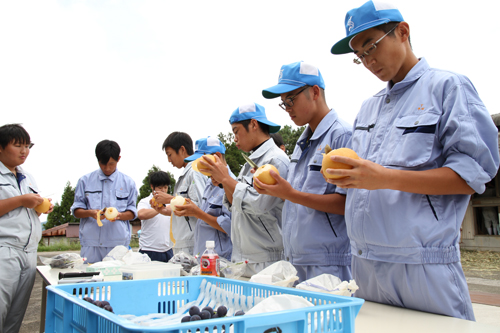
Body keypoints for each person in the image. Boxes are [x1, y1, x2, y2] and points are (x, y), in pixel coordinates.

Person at [328, 1, 500, 320]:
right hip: (365, 266)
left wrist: (385, 177)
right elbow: (366, 179)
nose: (368, 61)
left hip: (423, 266)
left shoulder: (448, 88)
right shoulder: (368, 109)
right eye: (360, 56)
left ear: (402, 32)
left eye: (371, 46)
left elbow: (473, 175)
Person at [258, 61, 352, 282]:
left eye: (291, 100)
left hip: (328, 265)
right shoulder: (302, 144)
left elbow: (346, 204)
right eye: (283, 103)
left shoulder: (342, 136)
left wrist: (289, 194)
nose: (287, 108)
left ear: (315, 92)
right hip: (297, 260)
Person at [199, 103, 289, 277]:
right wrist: (224, 182)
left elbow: (259, 205)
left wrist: (226, 179)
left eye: (236, 131)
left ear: (254, 125)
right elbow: (235, 204)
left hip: (267, 260)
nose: (234, 138)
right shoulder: (247, 165)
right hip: (244, 257)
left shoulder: (276, 160)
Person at [0, 124, 53, 333]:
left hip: (29, 251)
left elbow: (26, 213)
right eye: (18, 146)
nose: (24, 151)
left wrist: (41, 208)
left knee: (16, 313)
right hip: (5, 250)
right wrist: (22, 199)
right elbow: (18, 204)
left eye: (27, 146)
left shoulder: (27, 176)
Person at [71, 140, 138, 263]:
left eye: (112, 164)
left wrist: (119, 216)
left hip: (117, 244)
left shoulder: (128, 183)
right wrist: (91, 213)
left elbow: (133, 212)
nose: (107, 168)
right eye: (103, 164)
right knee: (91, 279)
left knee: (117, 279)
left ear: (119, 158)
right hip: (91, 244)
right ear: (98, 160)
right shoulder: (85, 181)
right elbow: (76, 211)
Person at [174, 136, 234, 259]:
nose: (201, 167)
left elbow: (230, 226)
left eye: (203, 162)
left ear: (217, 155)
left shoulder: (232, 184)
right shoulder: (209, 183)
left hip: (220, 258)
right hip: (204, 255)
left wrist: (198, 213)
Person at [154, 132, 207, 255]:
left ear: (182, 150)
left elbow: (200, 207)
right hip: (182, 242)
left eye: (170, 154)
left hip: (192, 243)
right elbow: (182, 210)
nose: (169, 160)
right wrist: (163, 210)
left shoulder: (195, 171)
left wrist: (170, 199)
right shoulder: (186, 174)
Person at [137, 171, 174, 262]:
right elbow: (141, 214)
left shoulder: (170, 203)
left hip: (168, 250)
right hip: (149, 250)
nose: (163, 191)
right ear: (152, 187)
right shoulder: (145, 201)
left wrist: (165, 205)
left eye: (165, 187)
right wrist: (159, 208)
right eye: (160, 187)